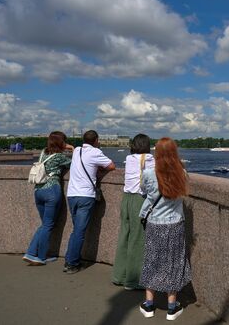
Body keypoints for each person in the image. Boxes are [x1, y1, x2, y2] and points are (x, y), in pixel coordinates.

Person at [138, 137, 191, 321]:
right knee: (174, 262)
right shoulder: (182, 173)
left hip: (155, 223)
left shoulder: (148, 173)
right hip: (175, 223)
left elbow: (143, 191)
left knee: (152, 259)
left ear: (157, 153)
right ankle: (172, 307)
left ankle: (149, 304)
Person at [64, 130, 115, 274]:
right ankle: (72, 264)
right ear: (96, 140)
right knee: (79, 232)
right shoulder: (96, 153)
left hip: (72, 195)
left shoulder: (77, 151)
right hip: (85, 196)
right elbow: (111, 166)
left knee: (76, 230)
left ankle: (70, 258)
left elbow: (70, 147)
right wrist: (99, 172)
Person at [23, 131, 73, 266]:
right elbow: (74, 163)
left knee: (45, 224)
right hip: (52, 191)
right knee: (48, 225)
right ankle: (39, 256)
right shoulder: (59, 157)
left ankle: (32, 254)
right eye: (64, 141)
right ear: (61, 142)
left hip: (38, 191)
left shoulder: (43, 152)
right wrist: (73, 148)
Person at [113, 134, 155, 289]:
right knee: (138, 239)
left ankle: (119, 275)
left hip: (126, 199)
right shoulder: (149, 159)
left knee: (125, 235)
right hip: (139, 200)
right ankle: (133, 280)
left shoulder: (130, 159)